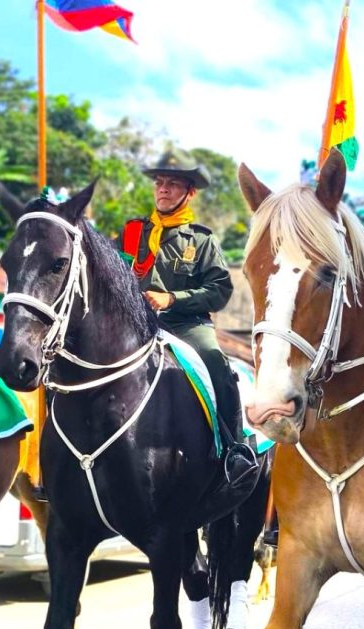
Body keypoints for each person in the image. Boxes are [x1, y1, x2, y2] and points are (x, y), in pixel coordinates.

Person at [116, 146, 257, 486]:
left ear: (189, 192)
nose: (163, 189)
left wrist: (172, 299)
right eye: (159, 182)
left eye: (173, 184)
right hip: (136, 325)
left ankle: (234, 449)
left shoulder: (202, 240)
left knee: (215, 361)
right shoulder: (133, 232)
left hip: (186, 326)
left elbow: (219, 291)